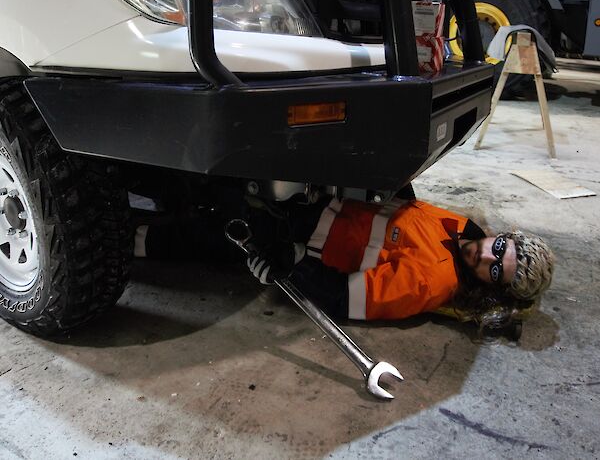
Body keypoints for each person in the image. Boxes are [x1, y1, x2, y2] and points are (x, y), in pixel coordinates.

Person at [135, 195, 554, 336]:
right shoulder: (463, 226)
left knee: (212, 235)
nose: (485, 256)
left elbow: (344, 298)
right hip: (319, 198)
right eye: (500, 248)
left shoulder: (432, 282)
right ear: (505, 234)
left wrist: (291, 263)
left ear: (490, 287)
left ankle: (132, 240)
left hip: (302, 235)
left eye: (495, 270)